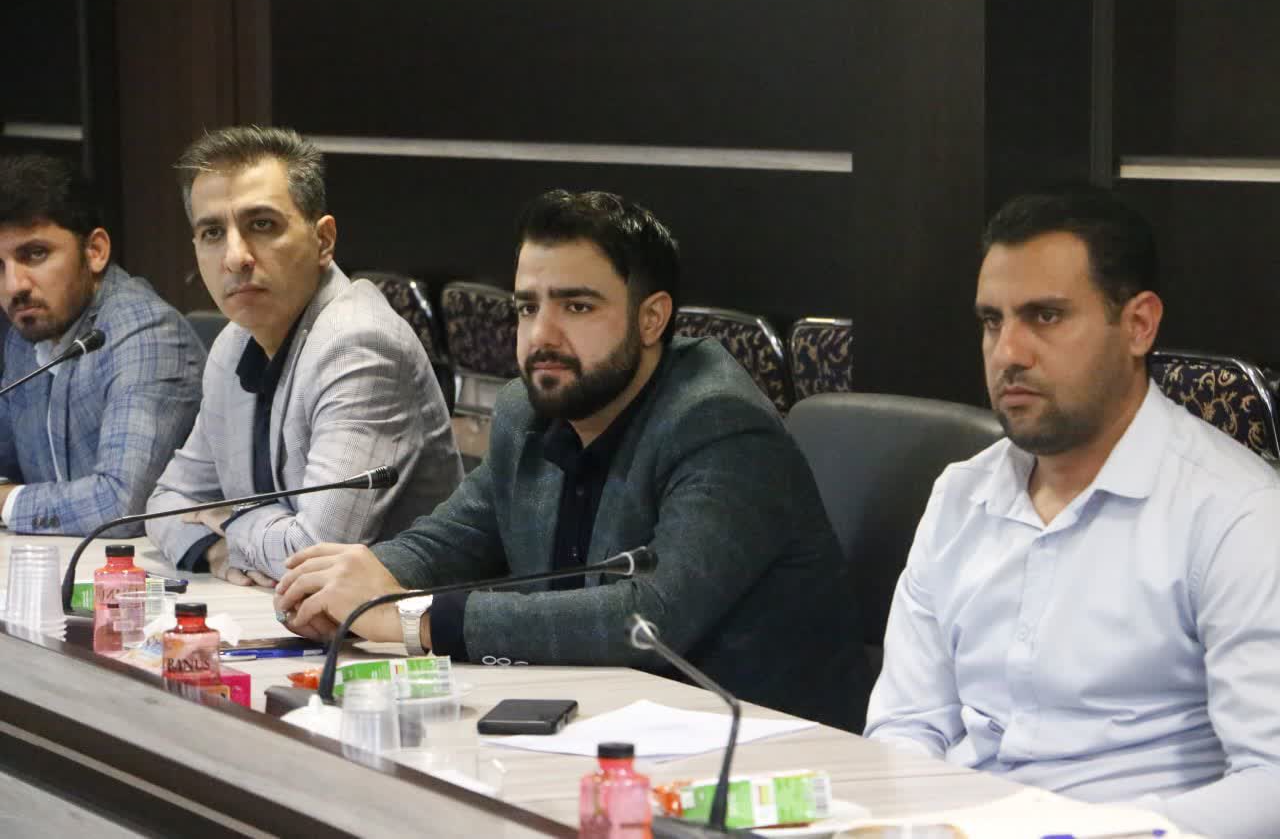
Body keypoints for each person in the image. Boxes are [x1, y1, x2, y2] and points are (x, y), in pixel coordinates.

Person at [274, 189, 869, 729]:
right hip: (595, 725)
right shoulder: (528, 411)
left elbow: (649, 618)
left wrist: (414, 619)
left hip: (757, 753)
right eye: (527, 308)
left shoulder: (719, 423)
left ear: (652, 318)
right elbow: (448, 542)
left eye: (577, 307)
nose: (542, 336)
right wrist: (345, 588)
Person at [865, 188, 1280, 838]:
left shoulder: (1236, 515)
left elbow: (1271, 781)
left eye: (1046, 316)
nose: (1009, 352)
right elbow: (904, 724)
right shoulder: (959, 495)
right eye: (992, 321)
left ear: (1139, 325)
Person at [146, 126, 463, 588]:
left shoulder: (360, 345)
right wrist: (215, 549)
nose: (235, 257)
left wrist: (230, 520)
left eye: (262, 225)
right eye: (212, 232)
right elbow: (166, 502)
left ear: (324, 240)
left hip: (397, 627)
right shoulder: (233, 345)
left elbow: (316, 550)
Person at [0, 154, 204, 536]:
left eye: (35, 254)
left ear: (95, 251)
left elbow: (121, 506)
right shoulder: (25, 339)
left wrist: (7, 502)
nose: (14, 286)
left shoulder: (146, 334)